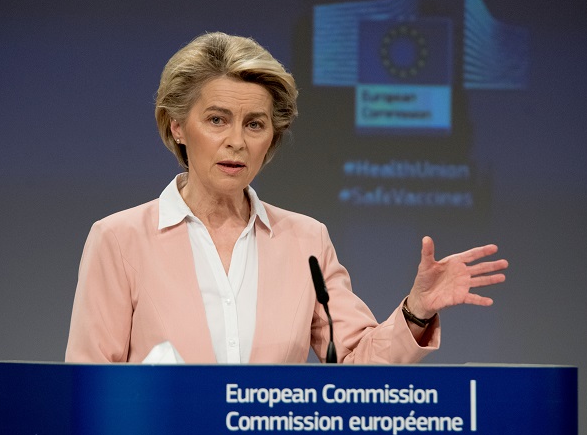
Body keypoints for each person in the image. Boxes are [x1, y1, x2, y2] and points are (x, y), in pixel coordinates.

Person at [65, 32, 508, 364]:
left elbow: (354, 363)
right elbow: (88, 386)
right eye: (217, 120)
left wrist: (417, 310)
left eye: (254, 124)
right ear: (177, 125)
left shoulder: (306, 240)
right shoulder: (119, 240)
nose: (237, 141)